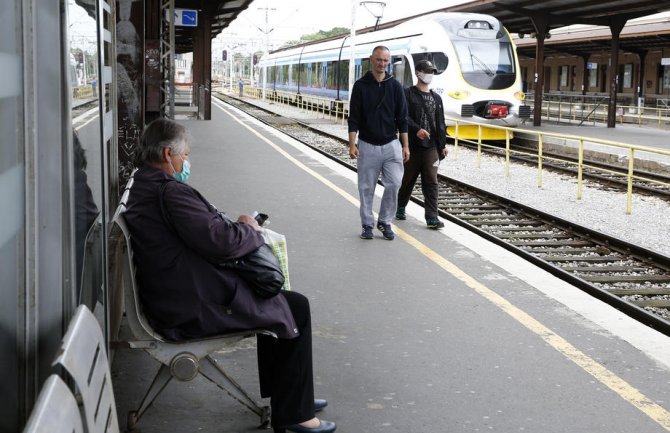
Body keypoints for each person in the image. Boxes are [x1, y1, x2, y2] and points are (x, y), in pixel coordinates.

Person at [124, 119, 336, 433]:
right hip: (188, 306)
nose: (187, 162)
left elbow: (205, 234)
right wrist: (251, 230)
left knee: (277, 300)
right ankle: (294, 414)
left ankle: (290, 396)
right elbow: (221, 243)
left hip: (174, 292)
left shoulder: (145, 184)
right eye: (185, 155)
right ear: (168, 154)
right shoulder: (168, 193)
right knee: (294, 306)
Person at [348, 46, 409, 241]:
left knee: (394, 184)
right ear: (371, 60)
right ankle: (367, 224)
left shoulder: (395, 86)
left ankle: (385, 221)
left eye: (385, 60)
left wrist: (405, 145)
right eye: (379, 60)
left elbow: (403, 119)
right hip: (367, 144)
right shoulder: (360, 86)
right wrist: (352, 144)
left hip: (392, 145)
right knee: (366, 188)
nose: (382, 64)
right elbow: (354, 118)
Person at [396, 59, 448, 229]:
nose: (430, 74)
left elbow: (440, 123)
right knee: (407, 180)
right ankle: (401, 206)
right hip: (411, 146)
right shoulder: (407, 94)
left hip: (431, 147)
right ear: (418, 73)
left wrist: (442, 145)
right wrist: (416, 129)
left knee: (431, 181)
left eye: (432, 71)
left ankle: (432, 217)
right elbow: (402, 117)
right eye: (427, 71)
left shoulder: (436, 98)